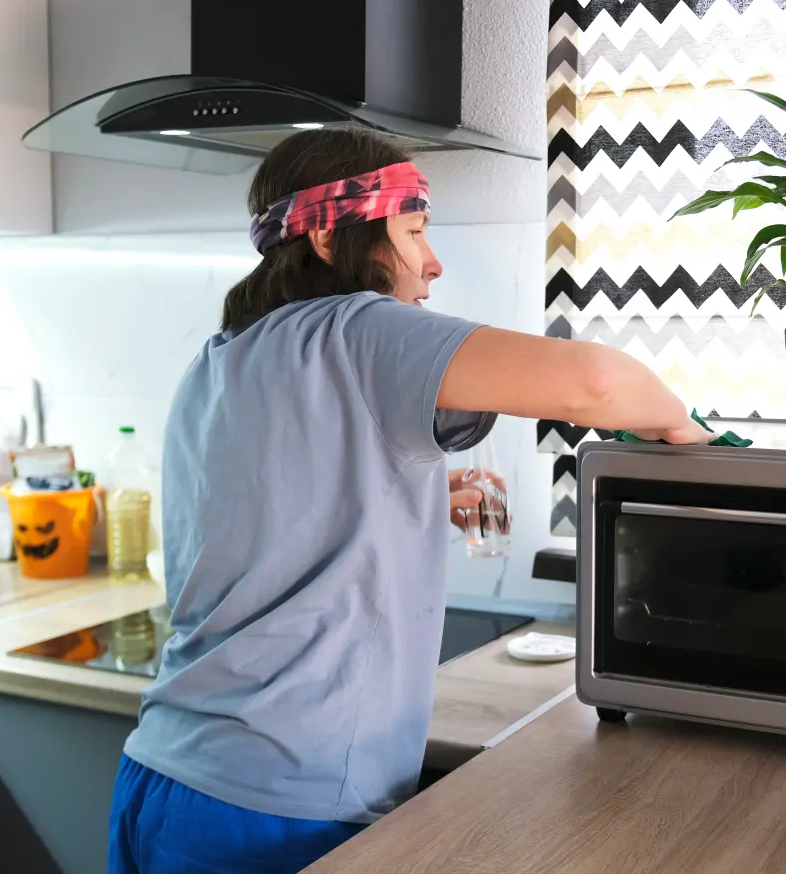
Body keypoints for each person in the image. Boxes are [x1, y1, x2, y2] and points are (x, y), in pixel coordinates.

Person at [107, 128, 710, 874]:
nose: (432, 261)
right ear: (332, 238)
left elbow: (276, 511)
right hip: (275, 809)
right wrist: (687, 431)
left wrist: (404, 497)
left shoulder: (223, 355)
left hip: (159, 778)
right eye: (415, 230)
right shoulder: (357, 327)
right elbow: (596, 385)